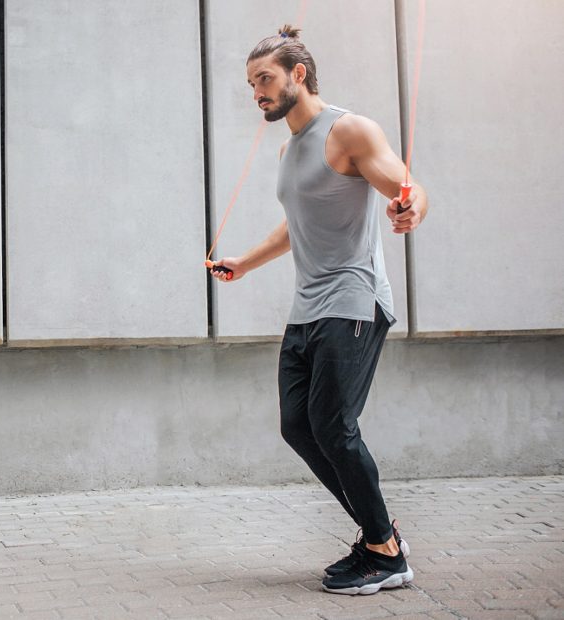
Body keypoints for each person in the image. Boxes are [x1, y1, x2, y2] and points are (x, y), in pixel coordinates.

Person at [210, 25, 428, 595]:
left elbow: (403, 185)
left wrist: (410, 210)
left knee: (333, 425)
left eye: (265, 79)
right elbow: (296, 225)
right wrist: (245, 263)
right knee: (298, 426)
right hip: (308, 306)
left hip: (354, 298)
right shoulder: (289, 147)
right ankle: (380, 539)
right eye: (251, 83)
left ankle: (384, 551)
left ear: (298, 75)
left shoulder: (347, 129)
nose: (257, 92)